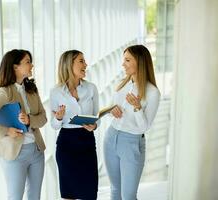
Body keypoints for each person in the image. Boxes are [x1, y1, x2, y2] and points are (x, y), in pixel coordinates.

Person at [0, 49, 47, 200]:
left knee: (35, 197)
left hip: (36, 151)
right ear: (15, 67)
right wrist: (6, 131)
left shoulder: (31, 89)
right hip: (15, 154)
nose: (31, 65)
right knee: (15, 197)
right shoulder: (4, 92)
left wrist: (29, 120)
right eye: (27, 62)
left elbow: (43, 118)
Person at [104, 44, 161, 200]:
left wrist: (137, 108)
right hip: (111, 137)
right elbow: (111, 109)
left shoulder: (152, 92)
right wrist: (111, 111)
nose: (123, 64)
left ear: (140, 62)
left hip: (131, 142)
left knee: (128, 195)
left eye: (127, 60)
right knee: (115, 190)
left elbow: (145, 127)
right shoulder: (122, 84)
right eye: (124, 60)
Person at [50, 50, 99, 200]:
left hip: (87, 142)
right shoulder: (56, 92)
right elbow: (54, 125)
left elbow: (97, 117)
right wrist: (58, 118)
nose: (86, 64)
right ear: (69, 65)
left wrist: (94, 126)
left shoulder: (91, 88)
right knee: (68, 194)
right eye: (81, 61)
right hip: (67, 145)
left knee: (89, 193)